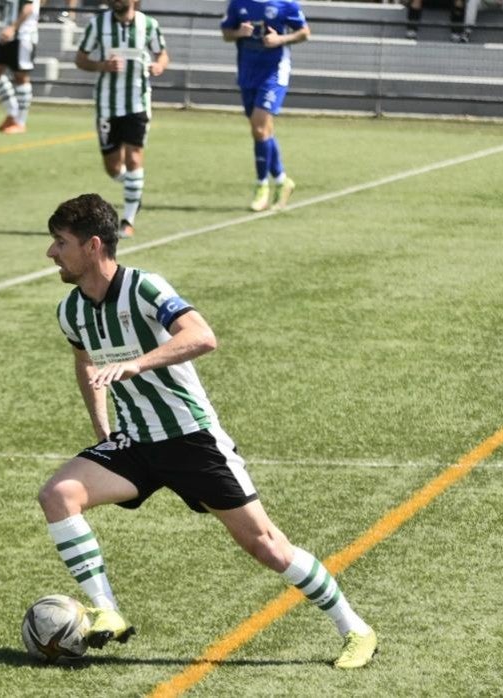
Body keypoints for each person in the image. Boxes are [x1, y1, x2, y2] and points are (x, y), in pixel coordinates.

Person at [38, 193, 378, 669]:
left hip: (191, 441)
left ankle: (355, 628)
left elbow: (202, 336)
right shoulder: (71, 311)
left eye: (60, 242)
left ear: (93, 246)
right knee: (58, 494)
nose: (52, 253)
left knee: (267, 546)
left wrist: (136, 365)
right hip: (136, 443)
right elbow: (85, 364)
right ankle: (107, 610)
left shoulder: (145, 288)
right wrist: (103, 429)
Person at [75, 0, 169, 239]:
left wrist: (159, 66)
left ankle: (128, 220)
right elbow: (80, 58)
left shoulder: (149, 25)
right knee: (113, 167)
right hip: (107, 104)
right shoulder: (98, 24)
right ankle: (134, 190)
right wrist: (101, 65)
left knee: (135, 155)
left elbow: (163, 55)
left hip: (138, 102)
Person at [220, 0, 309, 212]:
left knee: (259, 127)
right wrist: (239, 32)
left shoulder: (285, 4)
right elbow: (226, 33)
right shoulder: (238, 3)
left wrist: (281, 39)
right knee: (263, 130)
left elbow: (304, 32)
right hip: (248, 73)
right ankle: (282, 180)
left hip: (274, 72)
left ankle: (262, 186)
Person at [0, 0, 41, 134]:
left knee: (21, 77)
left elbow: (28, 7)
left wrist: (13, 27)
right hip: (9, 36)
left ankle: (20, 122)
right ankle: (12, 114)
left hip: (23, 36)